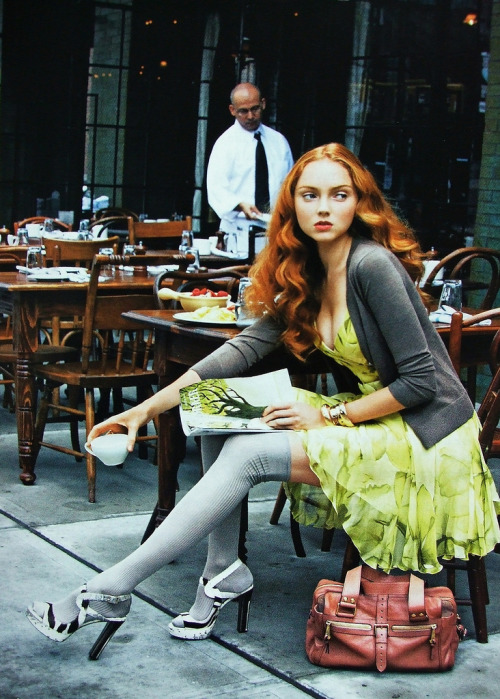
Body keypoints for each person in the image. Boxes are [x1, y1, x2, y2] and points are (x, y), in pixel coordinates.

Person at [27, 143, 500, 654]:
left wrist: (327, 414)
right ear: (291, 205)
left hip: (426, 433)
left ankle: (109, 589)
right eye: (310, 195)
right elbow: (242, 349)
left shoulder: (372, 265)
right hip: (372, 413)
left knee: (249, 453)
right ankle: (222, 571)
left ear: (358, 203)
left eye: (338, 195)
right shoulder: (309, 271)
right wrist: (143, 409)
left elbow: (421, 383)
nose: (323, 208)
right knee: (219, 406)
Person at [206, 82, 293, 256]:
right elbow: (216, 188)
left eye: (255, 109)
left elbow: (290, 184)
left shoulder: (279, 142)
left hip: (274, 230)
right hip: (239, 230)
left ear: (263, 104)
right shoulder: (225, 144)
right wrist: (239, 205)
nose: (251, 116)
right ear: (232, 110)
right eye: (243, 111)